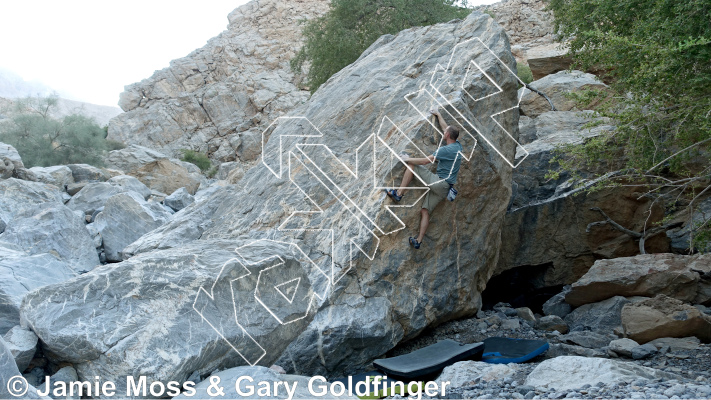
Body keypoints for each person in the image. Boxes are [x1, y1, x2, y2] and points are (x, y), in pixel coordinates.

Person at [385, 109, 463, 249]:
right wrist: (439, 115)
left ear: (446, 136)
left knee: (412, 165)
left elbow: (426, 161)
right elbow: (447, 128)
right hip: (445, 189)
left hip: (439, 183)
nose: (444, 131)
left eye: (445, 132)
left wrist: (408, 158)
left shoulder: (444, 150)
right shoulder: (458, 146)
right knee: (424, 211)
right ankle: (418, 241)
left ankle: (399, 194)